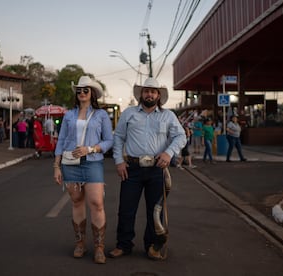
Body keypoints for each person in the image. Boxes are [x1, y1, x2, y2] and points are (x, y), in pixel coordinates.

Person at [110, 77, 186, 260]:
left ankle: (152, 246)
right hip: (132, 168)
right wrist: (119, 161)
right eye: (146, 91)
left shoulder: (168, 116)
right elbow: (118, 138)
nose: (149, 94)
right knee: (126, 209)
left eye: (153, 91)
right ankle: (123, 245)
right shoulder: (128, 114)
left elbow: (181, 137)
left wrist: (168, 153)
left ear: (158, 95)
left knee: (155, 210)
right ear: (141, 94)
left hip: (156, 169)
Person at [54, 76, 113, 264]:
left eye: (85, 90)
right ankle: (80, 244)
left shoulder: (101, 115)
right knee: (77, 202)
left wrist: (91, 148)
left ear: (92, 93)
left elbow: (109, 141)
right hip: (70, 163)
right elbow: (61, 140)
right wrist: (57, 165)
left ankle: (99, 247)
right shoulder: (69, 115)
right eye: (79, 90)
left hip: (93, 162)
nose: (81, 93)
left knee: (96, 203)